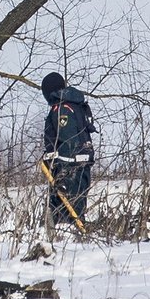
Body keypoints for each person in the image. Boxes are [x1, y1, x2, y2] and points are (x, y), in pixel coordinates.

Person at [41, 72, 95, 226]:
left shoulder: (62, 108)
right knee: (76, 208)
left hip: (70, 169)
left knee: (68, 214)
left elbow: (69, 141)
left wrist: (63, 173)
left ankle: (70, 242)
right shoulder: (75, 105)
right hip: (80, 166)